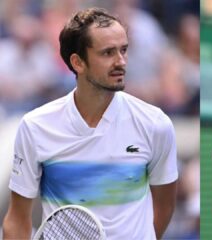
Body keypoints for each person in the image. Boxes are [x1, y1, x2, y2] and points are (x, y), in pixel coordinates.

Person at [2, 7, 178, 240]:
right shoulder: (35, 127)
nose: (121, 61)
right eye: (107, 53)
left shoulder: (156, 124)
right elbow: (17, 219)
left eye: (123, 50)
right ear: (78, 62)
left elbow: (164, 207)